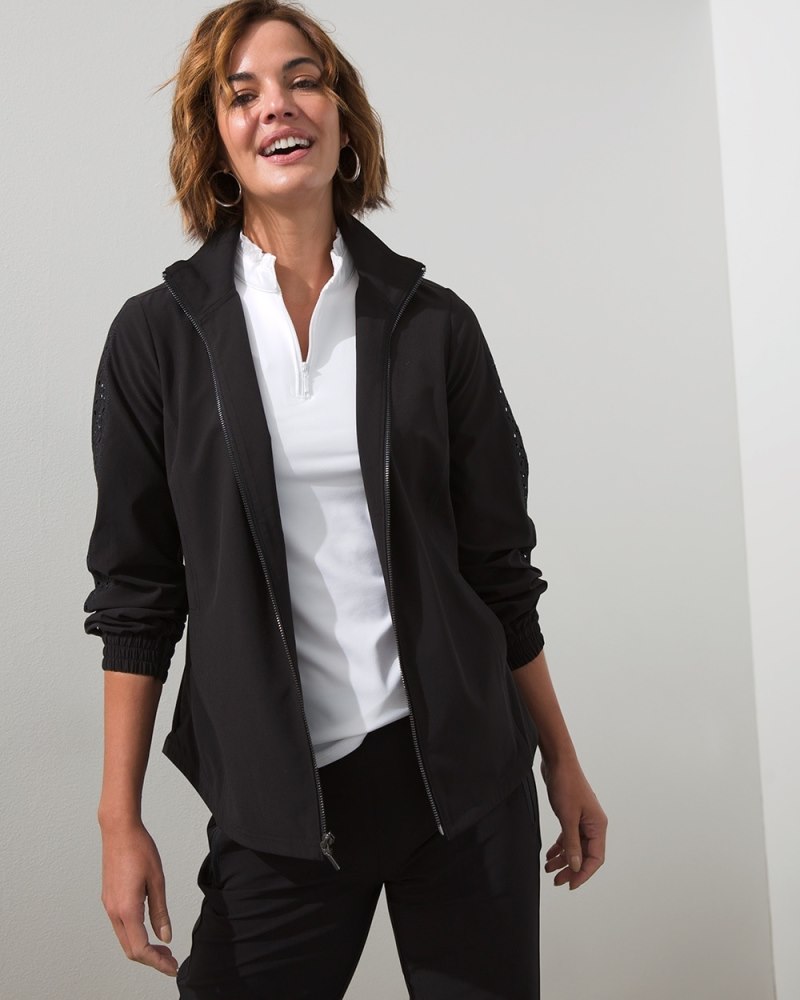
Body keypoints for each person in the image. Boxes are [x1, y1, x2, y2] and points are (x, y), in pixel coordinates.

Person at [84, 2, 607, 997]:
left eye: (303, 79)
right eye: (242, 93)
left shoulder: (432, 325)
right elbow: (136, 596)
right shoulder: (159, 339)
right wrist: (120, 818)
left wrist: (561, 759)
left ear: (341, 114)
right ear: (215, 137)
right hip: (278, 805)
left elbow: (499, 570)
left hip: (462, 784)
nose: (277, 106)